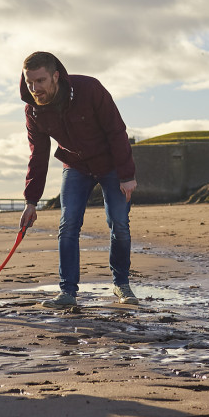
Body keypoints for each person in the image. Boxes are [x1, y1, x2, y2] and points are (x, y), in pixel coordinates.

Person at [18, 52, 138, 309]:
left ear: (56, 76)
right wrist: (31, 201)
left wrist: (127, 176)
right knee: (68, 223)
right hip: (75, 166)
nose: (35, 88)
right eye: (30, 83)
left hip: (111, 165)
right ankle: (67, 292)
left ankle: (122, 284)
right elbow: (38, 155)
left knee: (118, 222)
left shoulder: (89, 89)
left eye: (40, 81)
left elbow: (117, 131)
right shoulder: (33, 111)